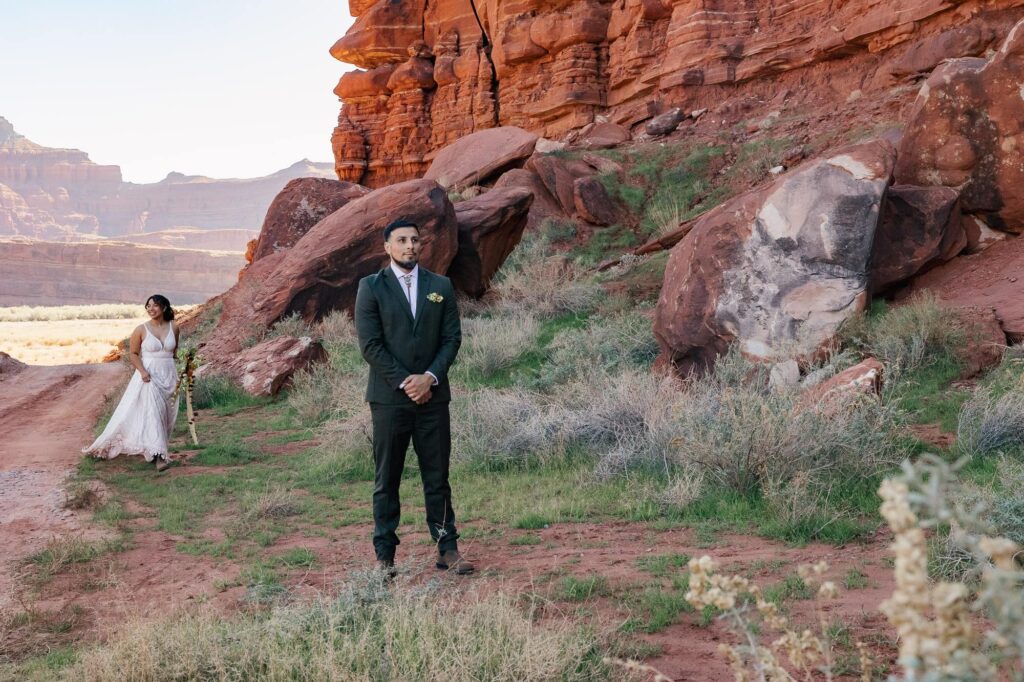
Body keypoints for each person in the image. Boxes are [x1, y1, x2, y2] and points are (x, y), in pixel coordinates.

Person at [354, 218, 474, 575]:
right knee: (386, 478)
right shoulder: (371, 287)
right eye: (402, 240)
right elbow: (370, 345)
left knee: (437, 476)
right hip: (390, 399)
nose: (410, 246)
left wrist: (430, 378)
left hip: (434, 398)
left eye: (415, 240)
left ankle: (447, 548)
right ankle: (385, 556)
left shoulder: (441, 286)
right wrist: (408, 382)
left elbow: (452, 339)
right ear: (387, 247)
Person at [84, 294, 180, 471]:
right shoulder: (140, 329)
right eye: (148, 306)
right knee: (154, 413)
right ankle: (160, 458)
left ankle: (154, 449)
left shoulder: (174, 327)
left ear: (164, 307)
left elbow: (174, 353)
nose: (151, 309)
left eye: (155, 306)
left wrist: (182, 371)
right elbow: (133, 354)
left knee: (167, 415)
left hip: (169, 376)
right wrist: (142, 371)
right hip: (148, 375)